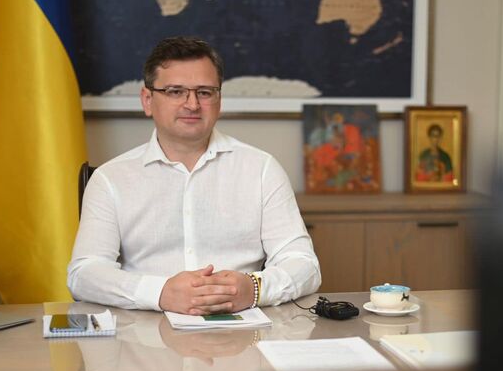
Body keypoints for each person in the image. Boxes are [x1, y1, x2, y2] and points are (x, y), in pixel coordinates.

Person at [68, 36, 321, 315]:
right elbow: (84, 274)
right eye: (175, 91)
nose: (192, 104)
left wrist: (255, 288)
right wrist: (160, 293)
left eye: (204, 92)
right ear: (148, 100)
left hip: (244, 328)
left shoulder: (261, 169)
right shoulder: (110, 178)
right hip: (145, 329)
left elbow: (304, 264)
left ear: (219, 100)